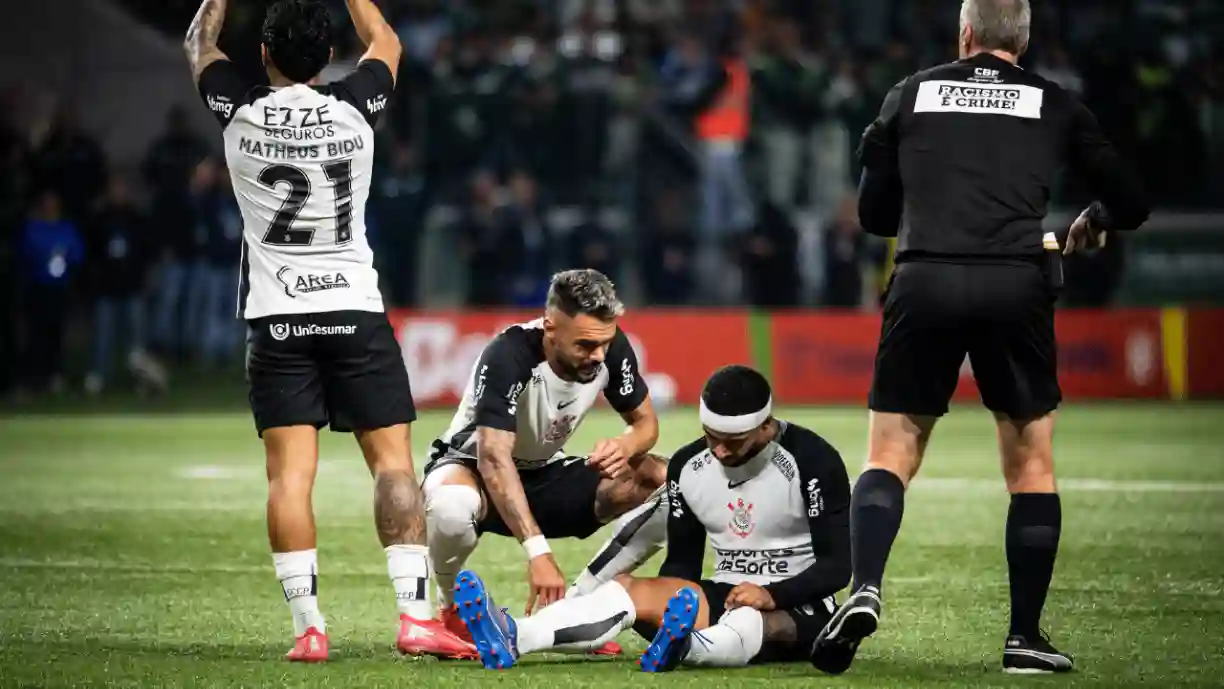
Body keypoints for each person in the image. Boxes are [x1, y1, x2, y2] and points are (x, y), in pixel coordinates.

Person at [811, 0, 1150, 675]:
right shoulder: (1055, 101)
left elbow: (877, 214)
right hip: (1015, 281)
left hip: (924, 279)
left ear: (964, 34)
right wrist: (1092, 218)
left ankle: (866, 587)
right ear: (1022, 41)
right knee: (1031, 464)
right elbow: (1131, 200)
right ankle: (1024, 636)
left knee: (890, 452)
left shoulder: (911, 91)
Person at [185, 0, 458, 662]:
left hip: (277, 319)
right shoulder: (355, 107)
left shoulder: (238, 108)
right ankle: (415, 618)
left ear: (265, 56)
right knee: (393, 463)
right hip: (355, 310)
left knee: (289, 477)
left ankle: (309, 627)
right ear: (328, 53)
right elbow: (386, 39)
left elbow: (198, 42)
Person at [449, 364, 856, 674]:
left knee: (748, 619)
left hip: (801, 605)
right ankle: (516, 634)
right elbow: (682, 567)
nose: (718, 452)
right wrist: (654, 606)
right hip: (726, 593)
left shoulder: (814, 461)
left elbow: (839, 567)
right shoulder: (689, 467)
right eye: (710, 437)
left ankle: (688, 647)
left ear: (766, 427)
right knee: (626, 588)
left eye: (733, 442)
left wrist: (773, 595)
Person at [422, 268, 667, 659]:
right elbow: (493, 457)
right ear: (550, 326)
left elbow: (646, 424)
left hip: (543, 473)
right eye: (585, 345)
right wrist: (538, 553)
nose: (598, 355)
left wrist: (626, 445)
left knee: (664, 479)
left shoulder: (608, 345)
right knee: (452, 505)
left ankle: (579, 610)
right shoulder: (509, 353)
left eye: (604, 343)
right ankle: (449, 610)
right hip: (474, 470)